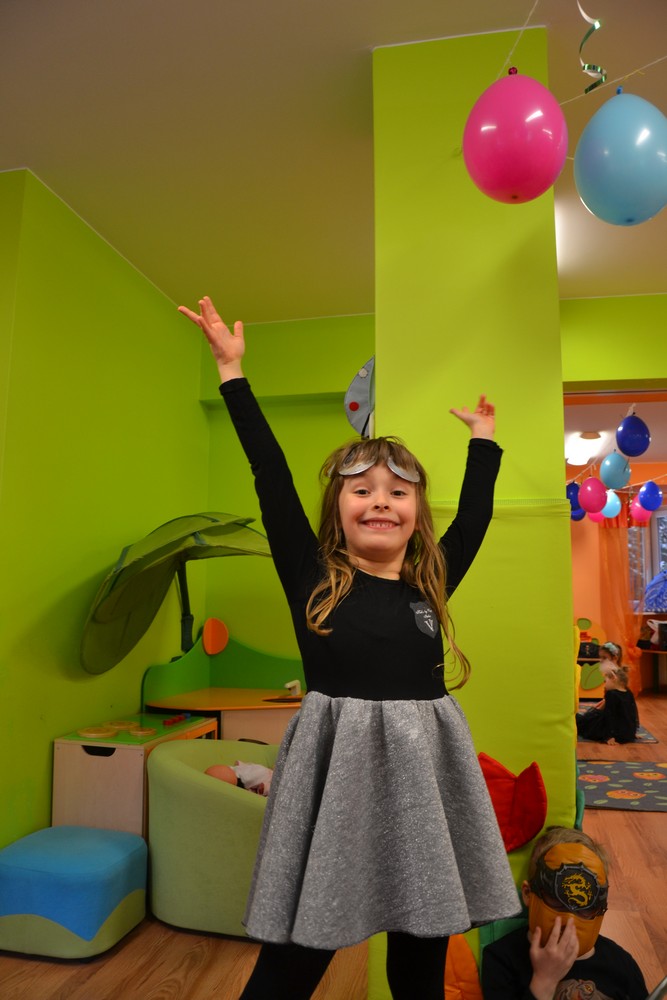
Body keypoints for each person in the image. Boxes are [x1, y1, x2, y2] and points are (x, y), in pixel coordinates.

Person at [179, 296, 520, 1000]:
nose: (380, 500)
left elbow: (477, 514)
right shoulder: (312, 578)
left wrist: (483, 440)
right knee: (300, 950)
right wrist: (232, 374)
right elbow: (271, 476)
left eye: (398, 492)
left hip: (422, 777)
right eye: (361, 490)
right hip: (336, 773)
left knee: (420, 952)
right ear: (338, 509)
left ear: (417, 515)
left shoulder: (430, 583)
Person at [481, 826, 647, 1000]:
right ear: (528, 894)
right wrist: (544, 981)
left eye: (586, 907)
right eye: (556, 901)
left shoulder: (621, 965)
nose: (570, 921)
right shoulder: (502, 959)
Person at [576, 662, 639, 745]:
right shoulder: (628, 692)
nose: (604, 685)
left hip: (614, 733)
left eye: (605, 681)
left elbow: (609, 716)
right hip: (625, 733)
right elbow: (632, 713)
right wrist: (632, 732)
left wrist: (609, 736)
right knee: (586, 718)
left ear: (613, 678)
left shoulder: (611, 694)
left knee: (581, 721)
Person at [206, 760, 274, 796]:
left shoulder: (273, 781)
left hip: (241, 782)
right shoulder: (265, 768)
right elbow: (249, 766)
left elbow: (270, 789)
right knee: (217, 773)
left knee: (220, 777)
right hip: (236, 771)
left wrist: (263, 788)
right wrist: (241, 764)